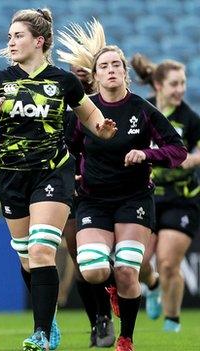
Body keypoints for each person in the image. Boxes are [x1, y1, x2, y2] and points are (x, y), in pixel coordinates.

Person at [0, 8, 117, 351]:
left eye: (17, 36)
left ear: (39, 41)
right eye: (9, 37)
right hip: (11, 176)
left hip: (52, 172)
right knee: (27, 258)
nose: (11, 42)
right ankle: (49, 318)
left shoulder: (64, 81)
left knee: (42, 249)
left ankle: (41, 334)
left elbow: (92, 118)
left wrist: (103, 129)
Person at [59, 20, 187, 351]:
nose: (111, 69)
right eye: (104, 66)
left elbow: (177, 150)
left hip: (134, 200)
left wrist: (145, 154)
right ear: (95, 75)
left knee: (129, 269)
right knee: (94, 270)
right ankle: (111, 290)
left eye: (117, 64)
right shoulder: (83, 112)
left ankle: (126, 338)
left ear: (124, 72)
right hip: (93, 200)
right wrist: (70, 171)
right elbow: (67, 150)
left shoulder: (142, 110)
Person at [132, 54, 200, 332]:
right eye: (174, 84)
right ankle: (153, 284)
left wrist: (192, 160)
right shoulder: (144, 112)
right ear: (158, 85)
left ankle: (172, 321)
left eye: (182, 83)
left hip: (181, 198)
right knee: (138, 261)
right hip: (147, 195)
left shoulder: (190, 118)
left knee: (170, 262)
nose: (180, 89)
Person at [63, 64, 115, 348]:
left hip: (96, 191)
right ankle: (96, 320)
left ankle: (105, 315)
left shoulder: (100, 110)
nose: (78, 79)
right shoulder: (57, 103)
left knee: (93, 258)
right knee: (80, 261)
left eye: (83, 74)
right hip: (66, 188)